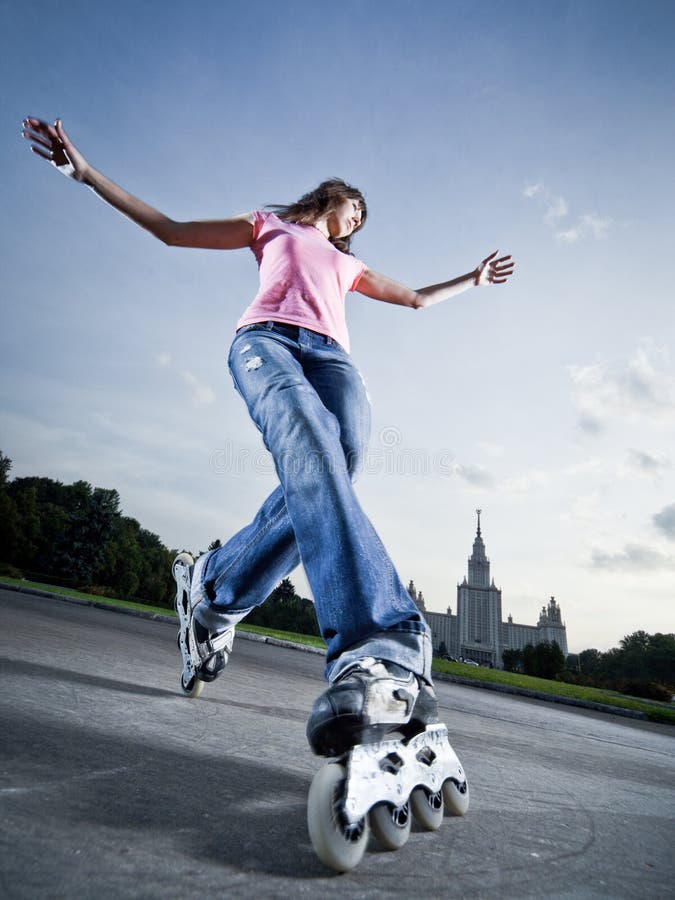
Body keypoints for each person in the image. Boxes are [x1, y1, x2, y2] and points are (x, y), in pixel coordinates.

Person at [22, 117, 514, 757]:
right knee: (310, 452)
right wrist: (86, 174)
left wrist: (470, 281)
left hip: (334, 359)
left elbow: (416, 298)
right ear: (327, 198)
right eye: (353, 206)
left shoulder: (349, 264)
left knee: (341, 467)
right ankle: (377, 652)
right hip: (267, 342)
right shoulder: (269, 225)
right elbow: (170, 231)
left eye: (363, 218)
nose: (358, 219)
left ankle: (215, 592)